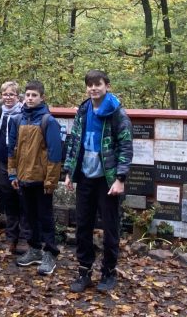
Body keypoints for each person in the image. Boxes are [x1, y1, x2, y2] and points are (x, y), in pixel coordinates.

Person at [63, 70, 133, 293]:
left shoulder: (117, 113)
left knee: (110, 228)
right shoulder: (83, 110)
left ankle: (108, 272)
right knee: (83, 226)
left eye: (98, 84)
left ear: (107, 86)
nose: (93, 88)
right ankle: (84, 272)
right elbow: (74, 142)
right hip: (85, 177)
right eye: (90, 85)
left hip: (108, 180)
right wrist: (68, 172)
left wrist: (120, 178)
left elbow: (125, 146)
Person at [8, 81, 63, 275]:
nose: (30, 98)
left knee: (45, 217)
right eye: (28, 95)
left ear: (42, 97)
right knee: (29, 216)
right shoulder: (17, 120)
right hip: (23, 177)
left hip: (41, 179)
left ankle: (50, 252)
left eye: (34, 95)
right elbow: (12, 149)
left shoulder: (48, 121)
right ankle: (34, 249)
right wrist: (12, 173)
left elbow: (55, 154)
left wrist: (51, 181)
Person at [0, 81, 30, 255]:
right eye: (5, 94)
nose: (8, 97)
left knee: (22, 199)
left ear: (18, 96)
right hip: (3, 162)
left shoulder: (24, 113)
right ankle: (11, 237)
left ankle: (24, 237)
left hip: (21, 163)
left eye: (12, 94)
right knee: (8, 200)